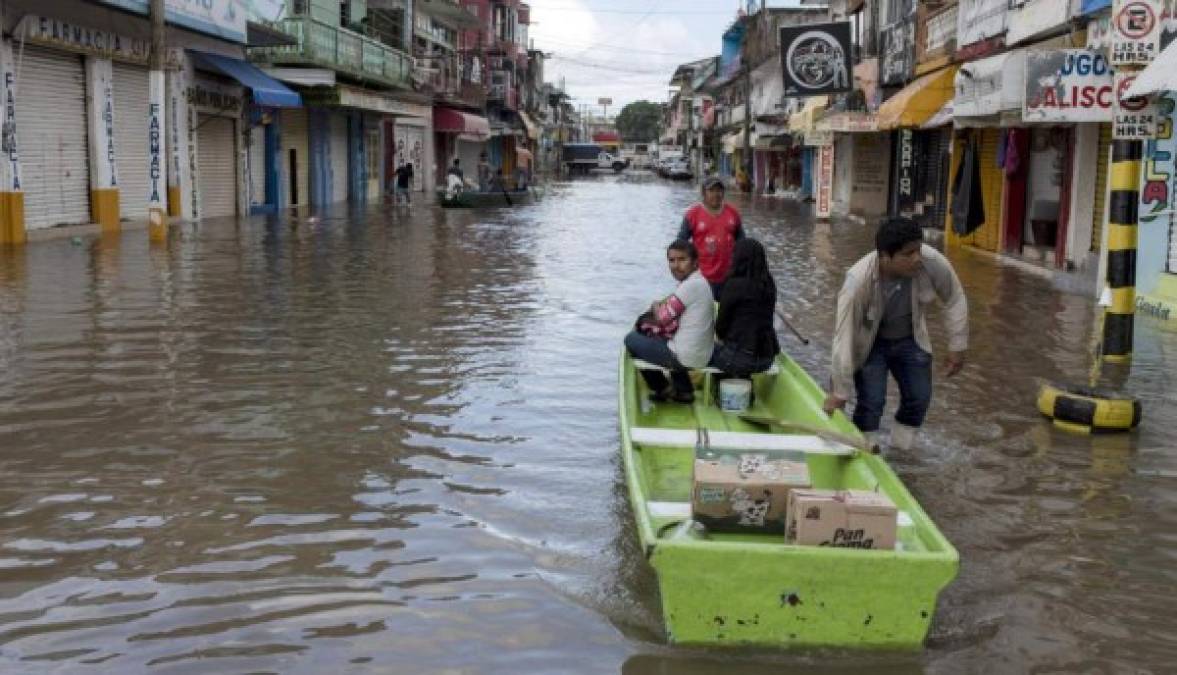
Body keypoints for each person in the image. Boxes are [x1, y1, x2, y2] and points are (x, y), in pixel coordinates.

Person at [823, 217, 969, 450]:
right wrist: (840, 390)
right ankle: (865, 449)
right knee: (872, 402)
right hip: (871, 343)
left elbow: (954, 298)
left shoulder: (931, 263)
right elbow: (844, 336)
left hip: (910, 337)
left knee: (919, 398)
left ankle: (903, 452)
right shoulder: (858, 281)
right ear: (884, 256)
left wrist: (957, 346)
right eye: (908, 254)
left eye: (918, 250)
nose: (916, 258)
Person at [624, 239, 715, 404]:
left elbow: (662, 319)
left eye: (682, 260)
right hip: (701, 353)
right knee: (668, 338)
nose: (676, 265)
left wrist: (655, 306)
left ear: (695, 262)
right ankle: (684, 391)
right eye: (672, 260)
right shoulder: (700, 282)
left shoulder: (690, 286)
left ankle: (663, 388)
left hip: (687, 357)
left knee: (631, 339)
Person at [710, 238, 780, 377]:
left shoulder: (734, 285)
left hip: (738, 358)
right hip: (767, 359)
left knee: (701, 353)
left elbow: (721, 327)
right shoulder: (769, 284)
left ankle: (717, 390)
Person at [677, 175, 745, 298]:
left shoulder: (733, 214)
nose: (716, 194)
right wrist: (684, 274)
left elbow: (743, 245)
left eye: (719, 190)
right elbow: (680, 245)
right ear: (703, 192)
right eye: (711, 190)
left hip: (728, 277)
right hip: (702, 278)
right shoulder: (692, 214)